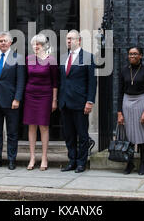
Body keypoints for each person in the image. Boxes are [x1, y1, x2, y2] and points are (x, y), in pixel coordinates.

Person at [59, 30, 97, 173]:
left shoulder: (88, 57)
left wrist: (90, 101)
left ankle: (82, 162)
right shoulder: (63, 57)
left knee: (82, 134)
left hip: (80, 103)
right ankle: (72, 161)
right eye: (67, 39)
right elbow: (61, 80)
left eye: (71, 39)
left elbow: (92, 82)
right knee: (69, 135)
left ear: (79, 40)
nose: (68, 41)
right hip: (65, 102)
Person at [0, 31, 25, 170]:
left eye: (5, 41)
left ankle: (11, 159)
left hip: (11, 101)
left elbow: (21, 81)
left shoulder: (17, 57)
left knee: (12, 132)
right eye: (0, 41)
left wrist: (17, 99)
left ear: (10, 42)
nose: (2, 43)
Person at [117, 46, 144, 175]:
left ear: (141, 56)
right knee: (128, 135)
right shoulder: (124, 71)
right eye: (130, 54)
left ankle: (143, 162)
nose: (132, 56)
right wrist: (119, 112)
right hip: (127, 102)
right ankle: (130, 162)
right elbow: (120, 92)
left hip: (142, 101)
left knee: (142, 134)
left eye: (135, 54)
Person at [23, 34, 58, 171]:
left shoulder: (51, 60)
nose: (36, 46)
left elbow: (55, 82)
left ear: (44, 46)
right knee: (31, 127)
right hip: (30, 95)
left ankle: (44, 157)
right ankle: (32, 157)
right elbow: (25, 78)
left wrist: (54, 100)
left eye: (39, 44)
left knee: (43, 126)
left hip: (45, 95)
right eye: (34, 44)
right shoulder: (28, 59)